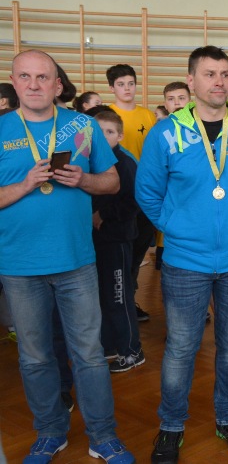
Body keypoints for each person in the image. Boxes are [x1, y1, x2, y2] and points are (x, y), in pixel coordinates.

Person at [136, 45, 228, 463]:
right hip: (185, 261)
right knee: (181, 348)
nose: (219, 82)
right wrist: (177, 226)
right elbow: (147, 192)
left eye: (225, 74)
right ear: (191, 80)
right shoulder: (166, 132)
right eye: (210, 74)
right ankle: (171, 425)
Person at [0, 50, 134, 463]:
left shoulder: (82, 125)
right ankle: (50, 431)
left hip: (76, 262)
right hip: (20, 266)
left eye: (43, 77)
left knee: (89, 355)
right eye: (25, 76)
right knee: (35, 357)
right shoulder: (1, 127)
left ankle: (103, 436)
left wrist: (84, 179)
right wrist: (25, 185)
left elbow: (112, 183)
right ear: (14, 82)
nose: (34, 84)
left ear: (58, 85)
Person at [87, 107, 144, 374]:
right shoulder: (90, 161)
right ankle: (111, 344)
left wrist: (104, 215)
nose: (103, 136)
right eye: (98, 132)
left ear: (119, 136)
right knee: (104, 296)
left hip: (117, 240)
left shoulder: (124, 163)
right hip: (96, 240)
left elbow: (134, 201)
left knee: (119, 297)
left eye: (109, 132)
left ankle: (132, 351)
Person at [106, 63, 158, 322]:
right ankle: (115, 303)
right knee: (118, 253)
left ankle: (130, 298)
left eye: (130, 83)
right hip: (117, 194)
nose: (127, 89)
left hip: (145, 194)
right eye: (120, 84)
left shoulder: (148, 116)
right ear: (111, 88)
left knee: (138, 252)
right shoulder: (106, 116)